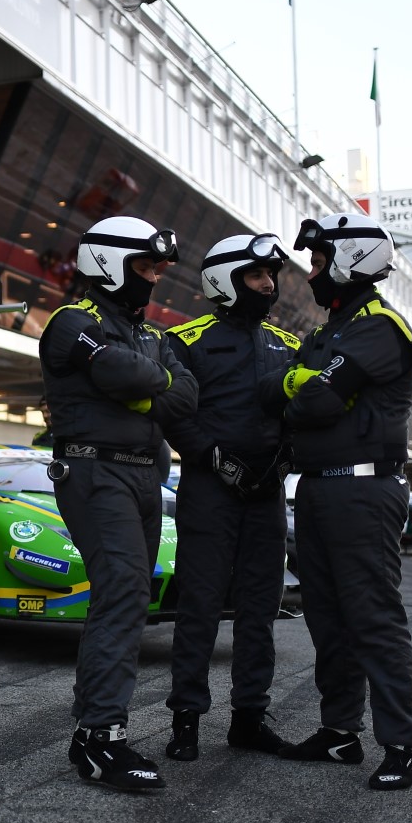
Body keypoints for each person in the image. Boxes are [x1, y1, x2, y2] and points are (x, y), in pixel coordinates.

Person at [262, 211, 412, 791]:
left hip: (364, 489)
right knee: (328, 620)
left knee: (373, 617)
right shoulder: (330, 332)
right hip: (317, 486)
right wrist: (301, 384)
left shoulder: (381, 327)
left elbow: (317, 402)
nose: (310, 272)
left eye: (319, 260)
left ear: (351, 261)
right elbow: (287, 391)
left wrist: (301, 386)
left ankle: (401, 744)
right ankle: (339, 733)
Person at [40, 215, 197, 792]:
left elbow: (186, 397)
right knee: (126, 593)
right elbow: (114, 368)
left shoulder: (151, 335)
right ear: (107, 263)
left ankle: (91, 727)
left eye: (158, 267)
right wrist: (152, 384)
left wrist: (144, 392)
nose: (154, 276)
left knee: (123, 598)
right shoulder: (69, 322)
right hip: (93, 471)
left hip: (143, 476)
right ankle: (102, 738)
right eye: (145, 265)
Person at [161, 233, 299, 762]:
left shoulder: (288, 344)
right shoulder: (183, 339)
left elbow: (299, 415)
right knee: (198, 608)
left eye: (271, 276)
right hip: (208, 491)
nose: (268, 285)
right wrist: (214, 458)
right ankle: (186, 722)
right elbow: (174, 414)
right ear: (224, 280)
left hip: (268, 494)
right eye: (257, 275)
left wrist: (284, 460)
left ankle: (249, 720)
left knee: (260, 610)